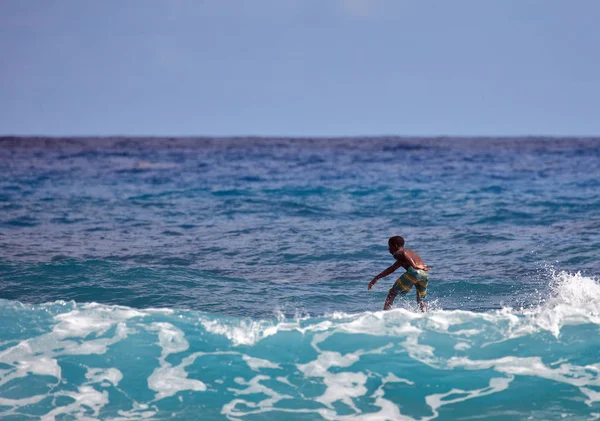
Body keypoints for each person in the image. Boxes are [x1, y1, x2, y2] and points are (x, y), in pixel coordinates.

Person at [368, 236, 430, 312]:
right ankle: (425, 314)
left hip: (414, 272)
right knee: (421, 299)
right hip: (424, 274)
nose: (389, 249)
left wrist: (414, 266)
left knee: (391, 294)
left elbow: (403, 253)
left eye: (390, 246)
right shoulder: (411, 253)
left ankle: (385, 314)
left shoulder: (399, 253)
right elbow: (392, 268)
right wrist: (376, 278)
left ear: (395, 246)